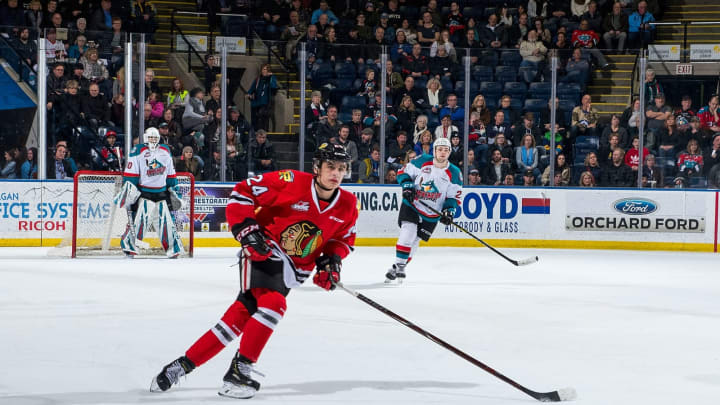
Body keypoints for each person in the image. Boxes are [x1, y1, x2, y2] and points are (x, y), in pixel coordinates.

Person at [150, 143, 357, 399]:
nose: (335, 173)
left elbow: (342, 239)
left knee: (236, 320)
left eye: (341, 168)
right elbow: (243, 191)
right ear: (317, 168)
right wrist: (247, 230)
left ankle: (180, 367)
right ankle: (239, 372)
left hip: (292, 269)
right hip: (264, 248)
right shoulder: (290, 181)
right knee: (274, 304)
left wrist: (331, 263)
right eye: (330, 167)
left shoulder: (348, 203)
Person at [386, 137, 462, 283]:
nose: (442, 153)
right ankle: (401, 266)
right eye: (439, 149)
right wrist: (407, 186)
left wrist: (449, 211)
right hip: (412, 205)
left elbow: (453, 196)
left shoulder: (455, 172)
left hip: (433, 212)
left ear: (449, 152)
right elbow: (403, 172)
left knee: (414, 242)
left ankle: (397, 267)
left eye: (446, 150)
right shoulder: (422, 160)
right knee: (408, 232)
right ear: (434, 151)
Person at [116, 127, 182, 257]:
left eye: (155, 138)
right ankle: (129, 243)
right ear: (146, 138)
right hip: (144, 192)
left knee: (165, 219)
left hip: (161, 192)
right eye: (150, 137)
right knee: (142, 218)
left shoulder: (165, 151)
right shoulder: (138, 150)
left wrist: (174, 189)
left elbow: (170, 174)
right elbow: (132, 174)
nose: (153, 140)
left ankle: (173, 247)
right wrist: (128, 188)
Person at [247, 64, 278, 131]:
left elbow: (274, 87)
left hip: (265, 105)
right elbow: (250, 90)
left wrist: (271, 76)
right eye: (263, 69)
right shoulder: (258, 79)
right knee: (254, 122)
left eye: (265, 69)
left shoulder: (271, 78)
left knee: (263, 123)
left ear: (268, 70)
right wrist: (249, 94)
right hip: (255, 103)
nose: (264, 71)